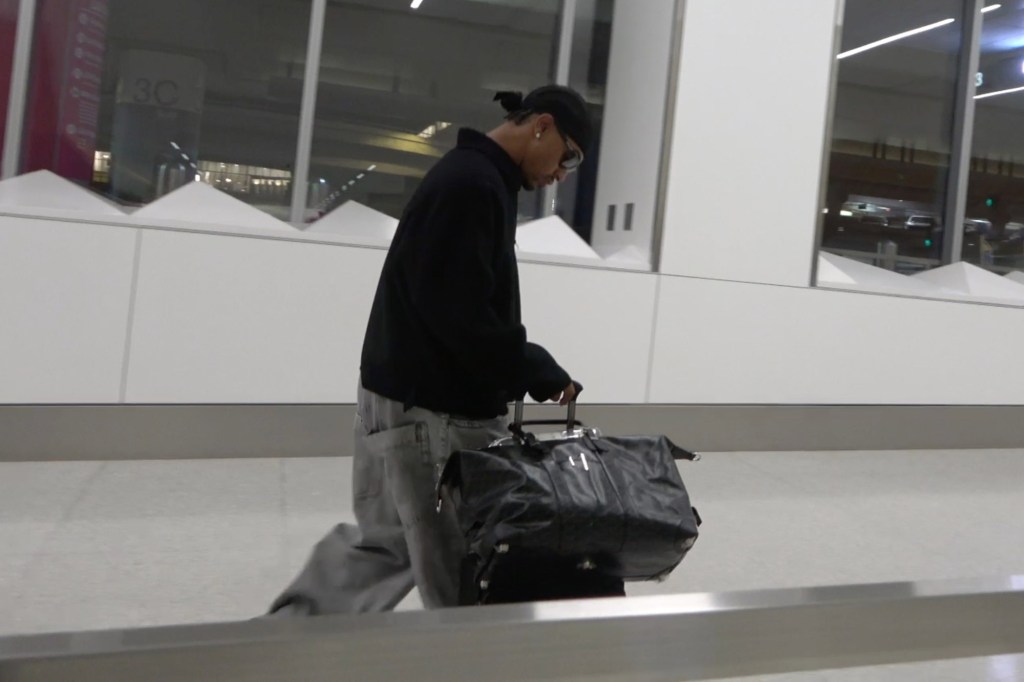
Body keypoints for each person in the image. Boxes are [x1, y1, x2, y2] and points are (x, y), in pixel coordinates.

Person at [268, 85, 594, 615]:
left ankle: (279, 642)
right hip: (429, 414)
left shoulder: (475, 178)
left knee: (389, 547)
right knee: (466, 570)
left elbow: (448, 299)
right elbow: (458, 313)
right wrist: (532, 366)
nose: (562, 173)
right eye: (569, 156)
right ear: (542, 126)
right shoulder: (473, 185)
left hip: (402, 399)